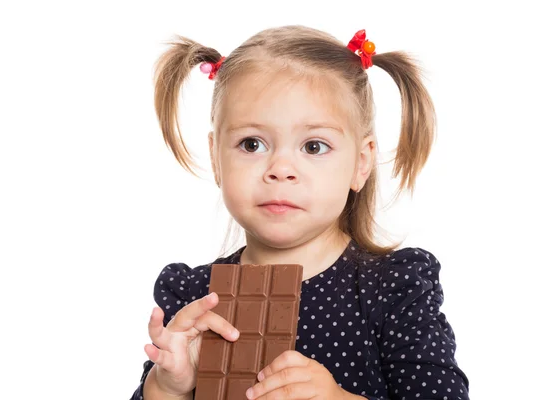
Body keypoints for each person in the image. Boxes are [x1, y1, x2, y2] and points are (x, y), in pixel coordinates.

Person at [130, 25, 470, 400]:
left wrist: (338, 399)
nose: (280, 168)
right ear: (215, 158)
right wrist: (168, 386)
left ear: (361, 163)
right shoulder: (194, 297)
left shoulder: (393, 290)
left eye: (313, 146)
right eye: (252, 143)